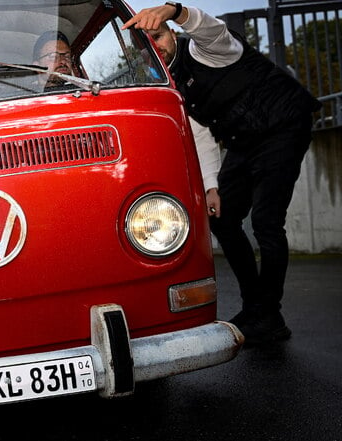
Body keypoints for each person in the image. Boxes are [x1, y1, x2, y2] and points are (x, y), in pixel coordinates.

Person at [123, 4, 321, 344]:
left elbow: (212, 30)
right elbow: (200, 134)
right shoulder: (170, 85)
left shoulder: (207, 51)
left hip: (283, 125)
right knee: (224, 219)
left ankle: (270, 316)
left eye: (159, 36)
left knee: (266, 222)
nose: (156, 46)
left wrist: (175, 10)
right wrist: (212, 186)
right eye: (147, 45)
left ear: (172, 33)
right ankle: (254, 306)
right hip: (243, 140)